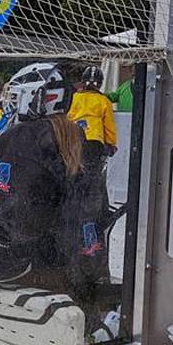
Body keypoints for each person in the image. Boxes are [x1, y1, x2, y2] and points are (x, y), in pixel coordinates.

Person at [0, 63, 119, 342]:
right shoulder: (81, 138)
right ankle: (100, 314)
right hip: (80, 267)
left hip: (34, 263)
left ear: (35, 96)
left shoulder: (17, 139)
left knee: (0, 257)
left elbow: (15, 213)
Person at [68, 66, 118, 231]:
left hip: (76, 139)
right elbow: (109, 125)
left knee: (74, 174)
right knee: (94, 177)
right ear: (100, 83)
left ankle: (72, 206)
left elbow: (68, 118)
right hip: (94, 142)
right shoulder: (104, 101)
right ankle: (96, 212)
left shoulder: (75, 97)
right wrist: (110, 144)